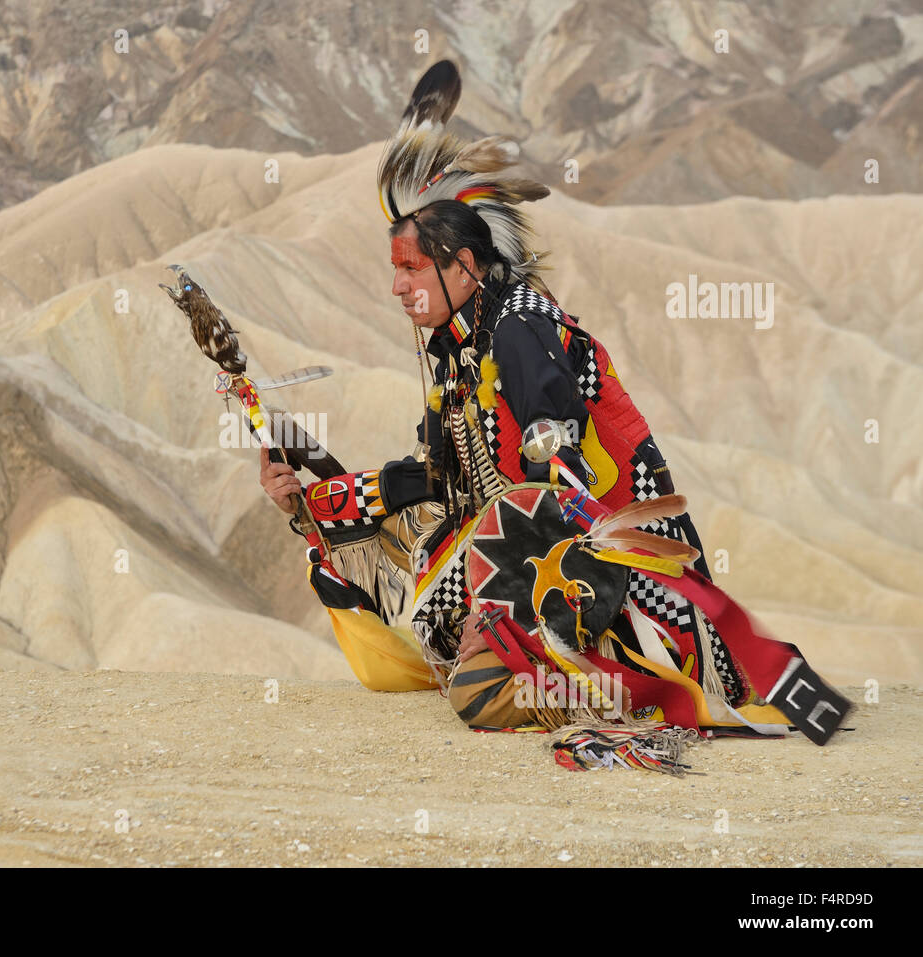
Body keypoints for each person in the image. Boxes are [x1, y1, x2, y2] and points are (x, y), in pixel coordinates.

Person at [259, 60, 846, 753]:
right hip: (531, 556)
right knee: (421, 587)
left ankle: (604, 687)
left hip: (611, 578)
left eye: (411, 267)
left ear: (465, 265)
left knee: (478, 688)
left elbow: (562, 468)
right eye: (395, 268)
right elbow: (428, 480)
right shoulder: (459, 352)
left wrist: (531, 601)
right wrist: (314, 499)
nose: (396, 287)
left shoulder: (520, 328)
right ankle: (528, 657)